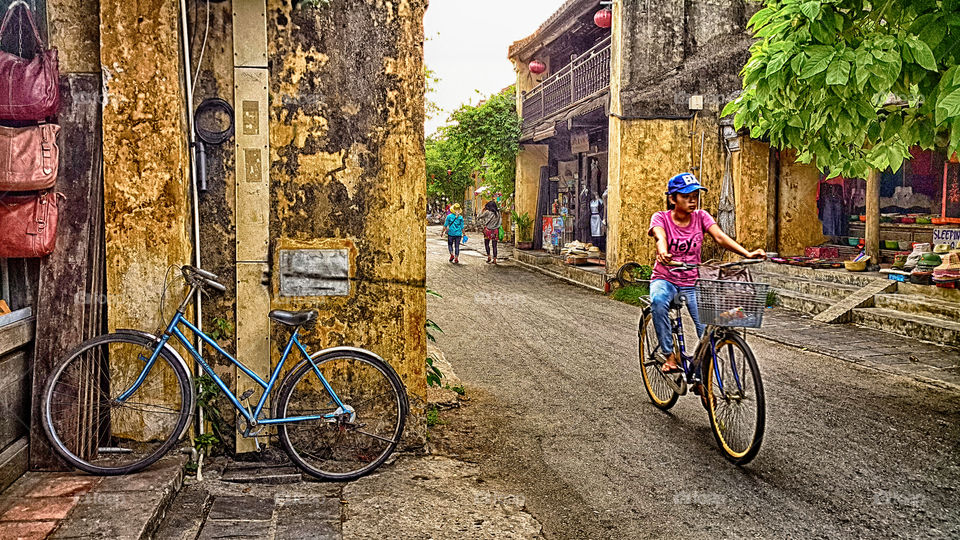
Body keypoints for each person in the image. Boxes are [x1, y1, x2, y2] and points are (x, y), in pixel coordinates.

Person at [649, 173, 765, 376]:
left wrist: (747, 253)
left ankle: (704, 376)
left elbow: (720, 237)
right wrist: (663, 251)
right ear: (672, 198)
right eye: (686, 196)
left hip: (693, 281)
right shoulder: (661, 218)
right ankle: (669, 354)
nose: (692, 200)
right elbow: (660, 236)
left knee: (707, 329)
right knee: (658, 301)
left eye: (695, 195)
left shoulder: (702, 216)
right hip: (665, 277)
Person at [476, 200, 502, 264]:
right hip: (495, 230)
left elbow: (478, 217)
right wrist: (497, 226)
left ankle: (489, 256)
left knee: (487, 244)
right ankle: (495, 259)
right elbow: (500, 221)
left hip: (488, 230)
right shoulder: (498, 212)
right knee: (494, 245)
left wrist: (482, 210)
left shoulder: (487, 212)